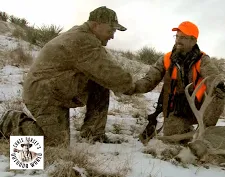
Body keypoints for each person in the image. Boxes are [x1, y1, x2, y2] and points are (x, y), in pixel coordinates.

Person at [1, 6, 134, 147]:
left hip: (57, 92)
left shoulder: (85, 37)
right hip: (44, 97)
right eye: (110, 30)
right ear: (96, 25)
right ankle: (10, 122)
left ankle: (93, 133)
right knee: (54, 147)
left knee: (99, 82)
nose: (112, 36)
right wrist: (136, 86)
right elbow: (112, 73)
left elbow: (106, 72)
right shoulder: (83, 40)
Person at [125, 21, 225, 144]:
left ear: (193, 41)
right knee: (173, 138)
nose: (178, 40)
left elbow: (214, 78)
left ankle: (206, 129)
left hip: (198, 107)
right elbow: (149, 80)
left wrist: (218, 87)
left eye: (183, 37)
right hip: (177, 108)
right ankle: (186, 129)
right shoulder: (167, 59)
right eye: (177, 37)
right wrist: (132, 87)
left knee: (220, 92)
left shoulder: (202, 60)